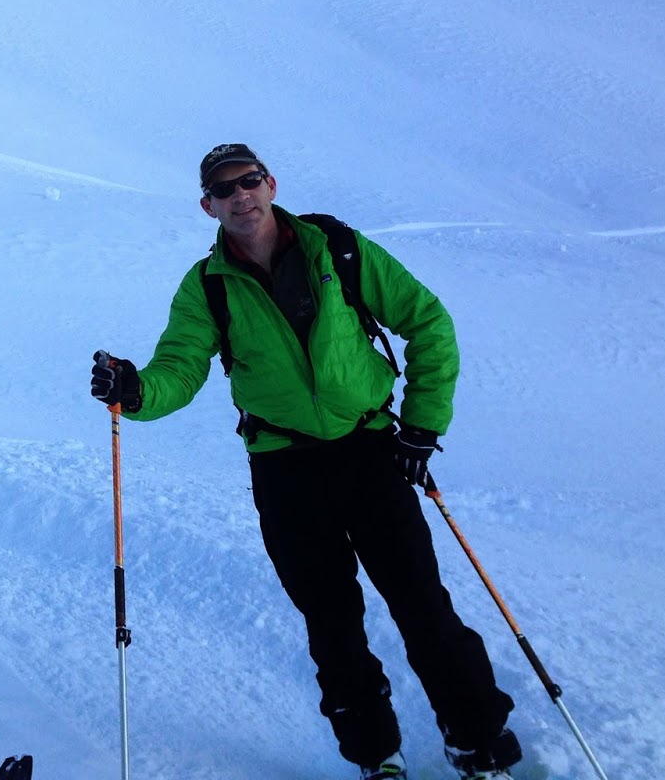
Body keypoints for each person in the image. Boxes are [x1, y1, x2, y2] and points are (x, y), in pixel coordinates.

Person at [90, 143, 520, 780]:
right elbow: (179, 368)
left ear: (271, 184)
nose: (240, 196)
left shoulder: (337, 250)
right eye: (224, 189)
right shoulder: (207, 286)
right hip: (285, 468)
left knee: (423, 606)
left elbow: (427, 320)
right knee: (332, 622)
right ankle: (376, 756)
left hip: (371, 452)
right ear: (208, 206)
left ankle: (478, 744)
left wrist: (422, 425)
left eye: (249, 180)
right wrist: (136, 391)